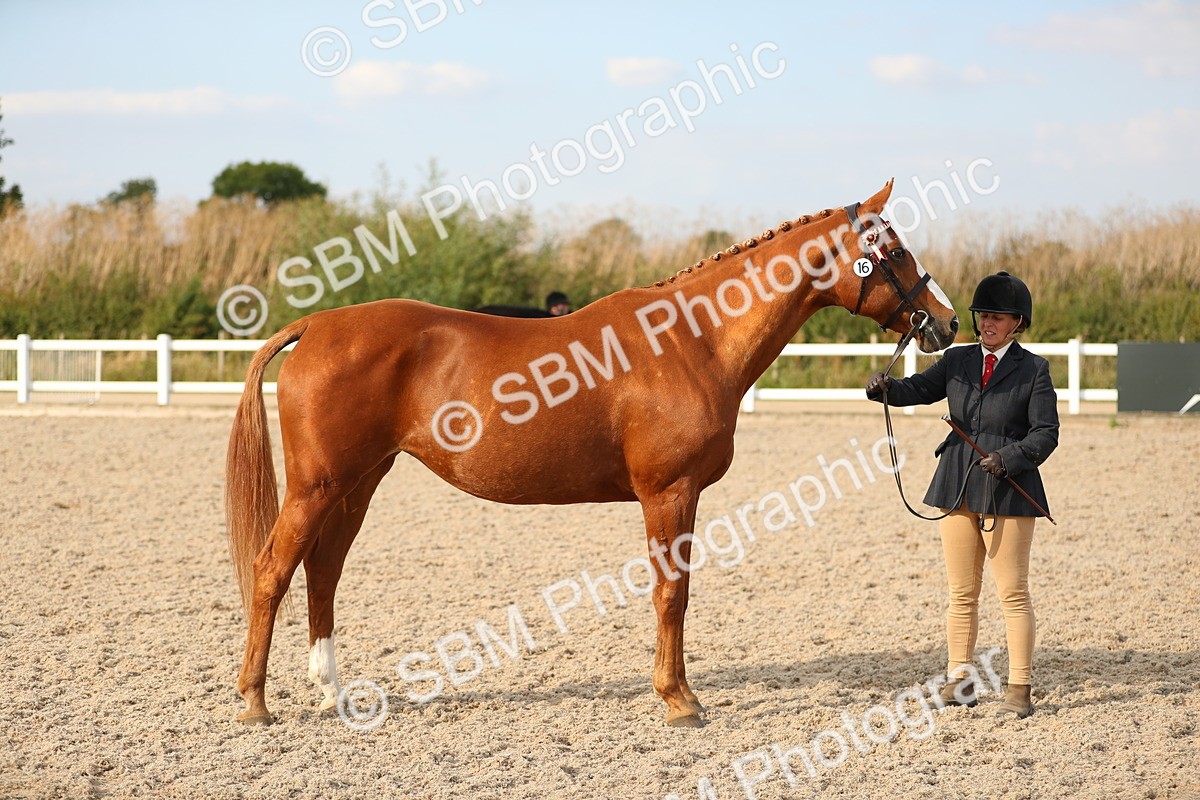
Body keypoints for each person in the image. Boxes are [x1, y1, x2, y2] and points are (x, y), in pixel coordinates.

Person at [865, 271, 1059, 718]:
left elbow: (1046, 433)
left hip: (1009, 486)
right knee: (961, 592)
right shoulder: (957, 360)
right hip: (957, 482)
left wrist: (1008, 458)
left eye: (999, 318)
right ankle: (960, 680)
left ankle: (1019, 688)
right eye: (984, 316)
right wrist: (887, 389)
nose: (989, 324)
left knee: (1012, 592)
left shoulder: (1034, 369)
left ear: (1018, 323)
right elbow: (919, 389)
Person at [473, 291, 573, 318]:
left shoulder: (574, 321)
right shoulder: (543, 319)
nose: (561, 309)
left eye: (564, 305)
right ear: (551, 308)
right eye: (557, 306)